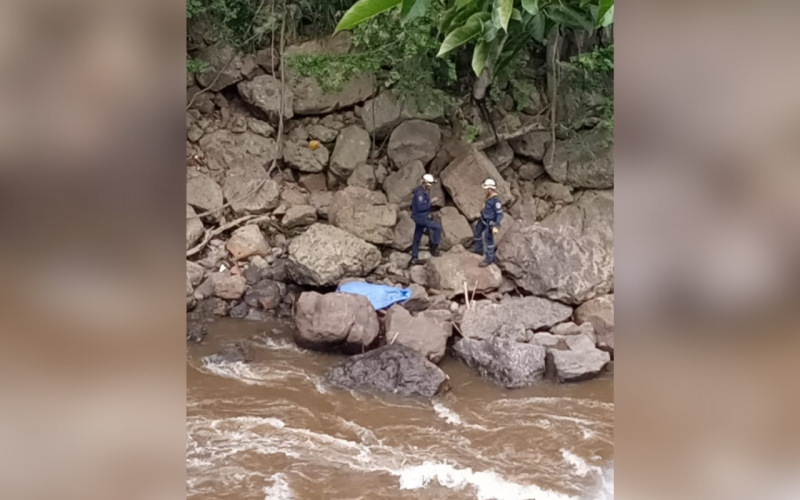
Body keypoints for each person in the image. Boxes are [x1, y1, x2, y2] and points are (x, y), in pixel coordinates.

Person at [410, 174, 442, 266]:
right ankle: (434, 247)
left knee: (417, 237)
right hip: (420, 217)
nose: (431, 186)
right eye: (429, 184)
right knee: (437, 227)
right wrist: (431, 202)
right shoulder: (420, 193)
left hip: (421, 216)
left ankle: (414, 257)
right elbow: (420, 207)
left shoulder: (423, 191)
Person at [474, 178, 504, 267]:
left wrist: (496, 224)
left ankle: (489, 259)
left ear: (490, 189)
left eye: (486, 189)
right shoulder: (488, 198)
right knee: (477, 233)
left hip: (490, 221)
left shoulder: (495, 201)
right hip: (483, 219)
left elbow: (499, 214)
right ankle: (478, 250)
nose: (485, 191)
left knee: (488, 239)